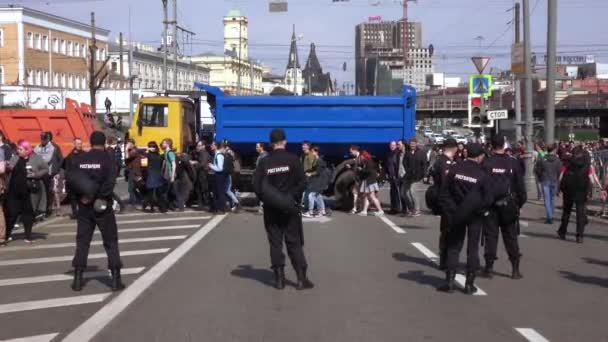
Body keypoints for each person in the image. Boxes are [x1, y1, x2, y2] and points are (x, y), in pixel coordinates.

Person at [253, 128, 313, 291]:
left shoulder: (265, 162)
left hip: (271, 209)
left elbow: (257, 186)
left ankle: (279, 280)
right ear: (285, 142)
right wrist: (292, 197)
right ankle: (301, 279)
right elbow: (303, 183)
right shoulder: (293, 159)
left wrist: (267, 199)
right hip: (290, 207)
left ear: (271, 144)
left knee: (275, 243)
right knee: (294, 242)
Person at [67, 131, 123, 292]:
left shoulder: (81, 159)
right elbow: (110, 183)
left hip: (84, 206)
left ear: (90, 142)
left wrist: (83, 198)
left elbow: (73, 181)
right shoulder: (108, 159)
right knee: (110, 242)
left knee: (82, 242)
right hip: (102, 206)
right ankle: (115, 280)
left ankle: (78, 280)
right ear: (104, 142)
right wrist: (99, 197)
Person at [437, 143, 489, 294]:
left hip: (456, 213)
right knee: (472, 249)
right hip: (474, 216)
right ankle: (469, 284)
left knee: (454, 246)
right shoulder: (482, 173)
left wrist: (450, 211)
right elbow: (488, 197)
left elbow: (444, 193)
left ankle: (449, 282)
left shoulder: (455, 168)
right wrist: (481, 210)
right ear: (480, 156)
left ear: (466, 153)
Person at [481, 135, 527, 280]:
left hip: (490, 205)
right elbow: (521, 188)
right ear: (504, 145)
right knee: (511, 236)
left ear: (491, 146)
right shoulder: (513, 163)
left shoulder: (486, 163)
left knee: (490, 236)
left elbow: (480, 186)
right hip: (509, 205)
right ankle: (515, 269)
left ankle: (489, 268)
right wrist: (519, 204)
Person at [6, 140, 48, 244]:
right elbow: (10, 167)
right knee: (12, 214)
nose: (18, 151)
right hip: (14, 192)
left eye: (20, 149)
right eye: (18, 149)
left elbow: (45, 169)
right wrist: (8, 167)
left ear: (27, 150)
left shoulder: (36, 158)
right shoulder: (15, 157)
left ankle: (28, 236)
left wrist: (35, 175)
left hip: (29, 193)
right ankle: (6, 235)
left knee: (28, 214)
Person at [558, 146, 603, 243]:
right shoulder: (586, 163)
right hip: (582, 189)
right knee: (580, 213)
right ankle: (579, 235)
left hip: (569, 189)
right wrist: (591, 189)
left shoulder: (568, 161)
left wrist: (559, 187)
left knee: (566, 211)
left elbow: (561, 175)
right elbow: (590, 176)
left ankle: (562, 231)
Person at [427, 138, 458, 270]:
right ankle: (445, 260)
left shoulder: (443, 161)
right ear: (453, 148)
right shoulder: (444, 162)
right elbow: (446, 183)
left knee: (446, 231)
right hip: (446, 201)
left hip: (445, 200)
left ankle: (445, 258)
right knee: (447, 231)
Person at [34, 131, 63, 217]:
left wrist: (56, 170)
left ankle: (53, 208)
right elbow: (34, 155)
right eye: (41, 139)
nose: (42, 141)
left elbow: (59, 159)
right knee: (43, 191)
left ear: (48, 138)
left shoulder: (54, 147)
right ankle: (44, 209)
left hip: (51, 173)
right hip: (40, 173)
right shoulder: (38, 147)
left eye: (44, 139)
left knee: (52, 191)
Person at [535, 143, 562, 224]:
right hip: (554, 181)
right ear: (554, 149)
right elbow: (559, 171)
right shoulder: (557, 160)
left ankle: (549, 217)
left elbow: (538, 170)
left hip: (545, 180)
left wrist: (540, 177)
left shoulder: (543, 159)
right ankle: (551, 215)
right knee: (552, 199)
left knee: (547, 199)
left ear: (547, 150)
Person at [402, 138, 426, 217]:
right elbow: (404, 162)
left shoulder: (421, 153)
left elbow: (425, 165)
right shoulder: (408, 152)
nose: (412, 145)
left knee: (412, 191)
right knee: (404, 193)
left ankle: (417, 209)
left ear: (416, 144)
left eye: (413, 144)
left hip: (417, 177)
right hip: (408, 176)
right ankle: (411, 208)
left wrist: (424, 175)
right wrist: (407, 170)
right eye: (411, 144)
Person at [303, 145, 329, 218]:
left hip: (320, 181)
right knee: (318, 195)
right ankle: (322, 211)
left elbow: (318, 172)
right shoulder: (317, 160)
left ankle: (310, 212)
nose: (311, 153)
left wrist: (310, 174)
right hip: (320, 181)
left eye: (312, 152)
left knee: (311, 195)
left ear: (316, 152)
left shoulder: (319, 161)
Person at [357, 151, 384, 216]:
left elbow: (369, 171)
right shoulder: (369, 161)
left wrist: (361, 170)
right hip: (369, 181)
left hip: (370, 181)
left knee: (372, 196)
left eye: (361, 156)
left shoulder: (368, 162)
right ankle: (364, 211)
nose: (361, 158)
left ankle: (380, 210)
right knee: (367, 196)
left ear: (364, 156)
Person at [63, 138, 84, 219]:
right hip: (72, 179)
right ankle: (75, 213)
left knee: (81, 197)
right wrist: (67, 179)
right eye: (78, 143)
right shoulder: (70, 156)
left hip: (82, 179)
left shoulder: (85, 154)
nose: (79, 145)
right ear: (74, 144)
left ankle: (82, 212)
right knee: (73, 198)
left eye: (80, 143)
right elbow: (67, 168)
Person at [143, 141, 166, 213]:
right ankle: (162, 208)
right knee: (159, 193)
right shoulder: (158, 155)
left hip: (151, 174)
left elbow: (138, 150)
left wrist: (147, 149)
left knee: (151, 193)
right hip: (158, 174)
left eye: (152, 146)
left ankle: (152, 208)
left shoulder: (149, 154)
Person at [208, 141, 228, 214]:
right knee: (217, 192)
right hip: (218, 175)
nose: (211, 146)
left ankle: (222, 209)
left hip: (219, 175)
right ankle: (218, 208)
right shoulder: (217, 154)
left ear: (216, 146)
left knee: (220, 192)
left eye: (212, 145)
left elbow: (220, 168)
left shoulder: (219, 155)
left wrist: (211, 166)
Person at [190, 141, 210, 211]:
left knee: (203, 189)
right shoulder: (199, 153)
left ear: (203, 146)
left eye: (199, 145)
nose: (197, 147)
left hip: (203, 173)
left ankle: (205, 204)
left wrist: (194, 163)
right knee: (199, 189)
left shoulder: (203, 153)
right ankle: (201, 204)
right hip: (200, 173)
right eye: (197, 145)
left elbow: (202, 164)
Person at [161, 138, 178, 210]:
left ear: (167, 144)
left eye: (163, 143)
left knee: (167, 191)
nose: (162, 144)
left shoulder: (170, 153)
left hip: (169, 174)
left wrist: (172, 176)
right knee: (169, 191)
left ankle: (166, 207)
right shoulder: (166, 152)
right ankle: (171, 206)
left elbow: (174, 164)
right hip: (166, 174)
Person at [386, 141, 401, 214]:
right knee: (392, 193)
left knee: (397, 193)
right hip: (391, 176)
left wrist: (397, 175)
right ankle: (393, 208)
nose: (392, 146)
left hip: (396, 176)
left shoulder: (397, 154)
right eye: (391, 145)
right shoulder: (389, 154)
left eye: (394, 145)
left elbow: (398, 165)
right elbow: (388, 165)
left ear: (396, 146)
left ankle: (397, 208)